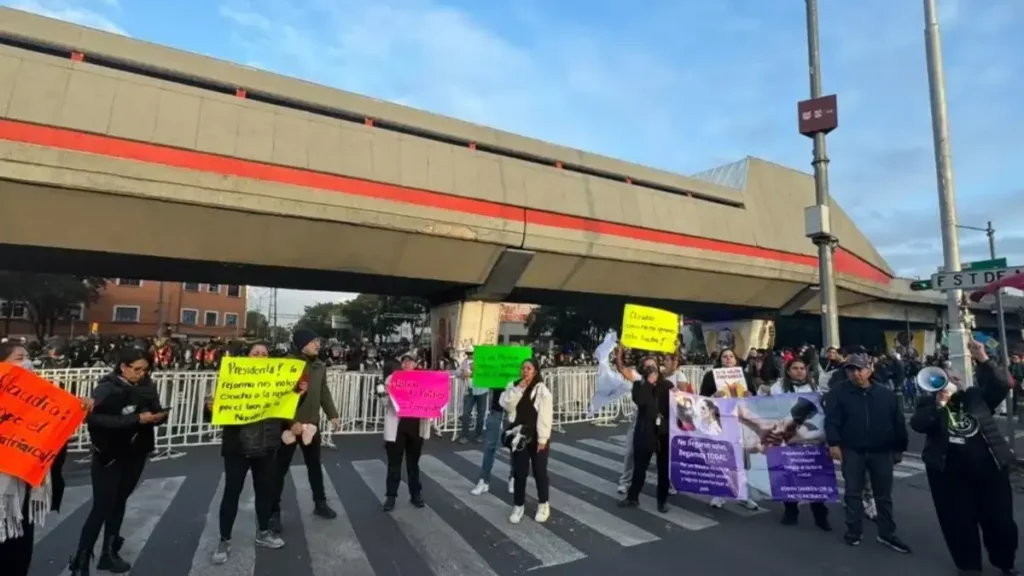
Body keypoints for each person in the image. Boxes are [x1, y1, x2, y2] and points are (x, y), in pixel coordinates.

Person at [911, 340, 1018, 575]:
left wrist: (983, 358)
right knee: (958, 523)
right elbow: (918, 424)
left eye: (955, 379)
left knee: (1001, 522)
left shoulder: (976, 397)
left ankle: (1005, 562)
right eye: (945, 379)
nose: (952, 383)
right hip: (949, 475)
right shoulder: (928, 403)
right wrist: (939, 406)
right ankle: (969, 565)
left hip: (990, 470)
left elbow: (1003, 383)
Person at [69, 347, 168, 575]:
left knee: (119, 502)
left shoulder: (147, 385)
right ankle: (81, 559)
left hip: (136, 452)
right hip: (109, 454)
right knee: (102, 506)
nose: (141, 374)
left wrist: (157, 417)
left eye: (145, 369)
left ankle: (109, 553)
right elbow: (92, 418)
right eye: (137, 369)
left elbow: (154, 411)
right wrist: (135, 419)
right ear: (123, 367)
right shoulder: (106, 387)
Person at [206, 343, 297, 565]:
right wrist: (210, 408)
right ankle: (224, 540)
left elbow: (288, 407)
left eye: (264, 354)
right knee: (232, 492)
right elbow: (215, 414)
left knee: (265, 491)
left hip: (267, 445)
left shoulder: (277, 383)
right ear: (246, 357)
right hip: (237, 447)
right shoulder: (231, 380)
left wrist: (298, 393)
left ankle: (263, 532)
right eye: (255, 353)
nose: (260, 357)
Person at [824, 353, 911, 553]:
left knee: (883, 496)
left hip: (881, 451)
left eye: (859, 369)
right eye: (851, 369)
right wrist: (834, 444)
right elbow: (832, 420)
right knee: (853, 493)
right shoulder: (838, 392)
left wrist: (899, 448)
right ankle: (854, 532)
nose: (855, 374)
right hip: (852, 450)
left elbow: (898, 422)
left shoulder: (885, 394)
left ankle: (887, 533)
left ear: (869, 370)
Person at [269, 329, 340, 533]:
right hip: (289, 427)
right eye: (313, 341)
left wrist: (332, 414)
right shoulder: (289, 365)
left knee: (314, 466)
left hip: (311, 424)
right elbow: (281, 396)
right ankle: (273, 511)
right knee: (279, 470)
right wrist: (291, 422)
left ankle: (320, 503)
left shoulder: (319, 365)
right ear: (302, 344)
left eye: (318, 340)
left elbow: (323, 391)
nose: (317, 344)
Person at [699, 348, 760, 511]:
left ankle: (742, 495)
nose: (728, 359)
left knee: (740, 460)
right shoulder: (711, 376)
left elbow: (754, 398)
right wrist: (713, 396)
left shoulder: (745, 376)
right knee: (719, 457)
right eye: (724, 356)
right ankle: (717, 494)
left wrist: (749, 395)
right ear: (720, 360)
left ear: (736, 359)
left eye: (731, 356)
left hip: (739, 421)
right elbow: (702, 398)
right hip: (719, 421)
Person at [501, 358, 553, 524]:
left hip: (537, 437)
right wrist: (518, 390)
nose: (525, 371)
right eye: (523, 368)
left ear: (535, 371)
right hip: (519, 436)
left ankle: (543, 504)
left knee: (539, 471)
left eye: (529, 368)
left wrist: (543, 439)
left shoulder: (542, 391)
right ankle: (518, 505)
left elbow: (545, 416)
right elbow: (507, 405)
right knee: (519, 472)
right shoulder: (513, 386)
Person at [618, 361, 673, 513]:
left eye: (653, 366)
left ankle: (662, 501)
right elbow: (641, 401)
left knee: (663, 468)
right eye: (647, 366)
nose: (651, 369)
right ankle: (632, 497)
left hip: (663, 431)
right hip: (645, 430)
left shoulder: (667, 385)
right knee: (640, 466)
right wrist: (649, 384)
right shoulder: (639, 385)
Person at [381, 353, 431, 511]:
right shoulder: (392, 379)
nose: (407, 363)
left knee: (413, 463)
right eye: (404, 361)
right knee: (394, 464)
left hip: (416, 426)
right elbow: (384, 403)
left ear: (416, 364)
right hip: (398, 426)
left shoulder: (424, 380)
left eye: (410, 361)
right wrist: (385, 394)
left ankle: (415, 494)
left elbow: (432, 399)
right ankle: (390, 496)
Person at [456, 348, 487, 443]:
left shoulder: (483, 361)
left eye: (471, 353)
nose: (469, 355)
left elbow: (487, 374)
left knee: (481, 414)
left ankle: (479, 435)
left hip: (482, 390)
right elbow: (457, 372)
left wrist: (473, 373)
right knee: (466, 413)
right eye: (468, 353)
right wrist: (462, 373)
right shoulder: (464, 362)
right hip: (469, 391)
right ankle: (465, 435)